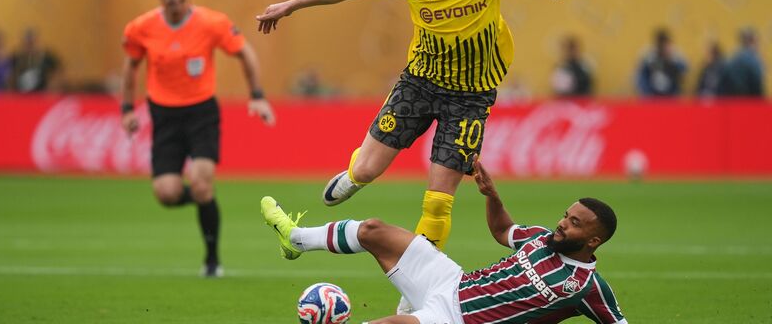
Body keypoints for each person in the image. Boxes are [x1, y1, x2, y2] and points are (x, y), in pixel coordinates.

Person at [256, 0, 584, 270]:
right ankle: (355, 176)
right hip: (420, 83)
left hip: (470, 98)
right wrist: (292, 5)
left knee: (438, 203)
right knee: (367, 170)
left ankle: (414, 290)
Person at [261, 159, 626, 323]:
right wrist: (492, 196)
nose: (562, 224)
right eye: (566, 215)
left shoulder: (587, 287)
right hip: (451, 282)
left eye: (574, 224)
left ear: (593, 240)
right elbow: (503, 232)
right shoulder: (542, 239)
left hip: (455, 319)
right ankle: (295, 239)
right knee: (372, 230)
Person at [120, 0, 276, 277]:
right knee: (166, 193)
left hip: (201, 112)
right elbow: (131, 67)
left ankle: (212, 260)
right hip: (163, 114)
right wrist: (126, 109)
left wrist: (257, 95)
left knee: (203, 185)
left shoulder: (212, 22)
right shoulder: (140, 28)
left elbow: (245, 53)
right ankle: (205, 200)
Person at [8, 28, 63, 93]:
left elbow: (57, 72)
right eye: (27, 43)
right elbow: (11, 76)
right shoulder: (17, 57)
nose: (29, 46)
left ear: (36, 42)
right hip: (21, 95)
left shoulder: (47, 57)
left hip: (41, 94)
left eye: (32, 42)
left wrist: (53, 88)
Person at [635, 28, 687, 97]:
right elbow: (641, 75)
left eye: (665, 44)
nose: (663, 47)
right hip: (652, 96)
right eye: (660, 44)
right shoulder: (649, 55)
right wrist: (646, 93)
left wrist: (671, 58)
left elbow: (684, 69)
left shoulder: (675, 54)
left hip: (671, 96)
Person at [718, 27, 764, 98]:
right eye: (757, 41)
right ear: (753, 42)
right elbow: (757, 85)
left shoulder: (732, 58)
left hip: (731, 101)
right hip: (747, 102)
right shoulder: (754, 60)